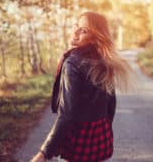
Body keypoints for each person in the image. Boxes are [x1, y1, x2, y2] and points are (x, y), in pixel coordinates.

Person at [30, 11, 136, 162]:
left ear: (95, 38)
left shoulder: (72, 63)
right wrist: (105, 133)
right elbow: (110, 106)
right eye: (77, 26)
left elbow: (67, 114)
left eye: (84, 30)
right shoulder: (105, 60)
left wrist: (44, 153)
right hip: (101, 142)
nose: (75, 31)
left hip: (78, 145)